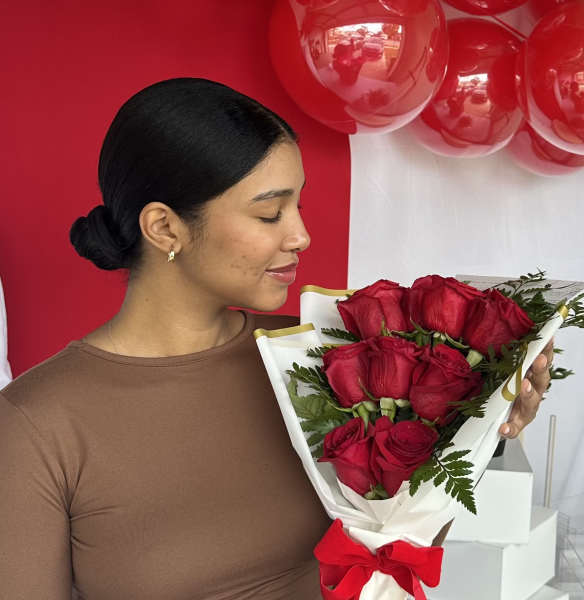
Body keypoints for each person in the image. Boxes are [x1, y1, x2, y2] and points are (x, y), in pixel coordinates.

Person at [0, 77, 553, 600]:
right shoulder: (35, 425)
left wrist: (484, 427)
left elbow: (401, 547)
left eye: (298, 205)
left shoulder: (328, 356)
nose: (301, 235)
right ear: (165, 228)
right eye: (269, 213)